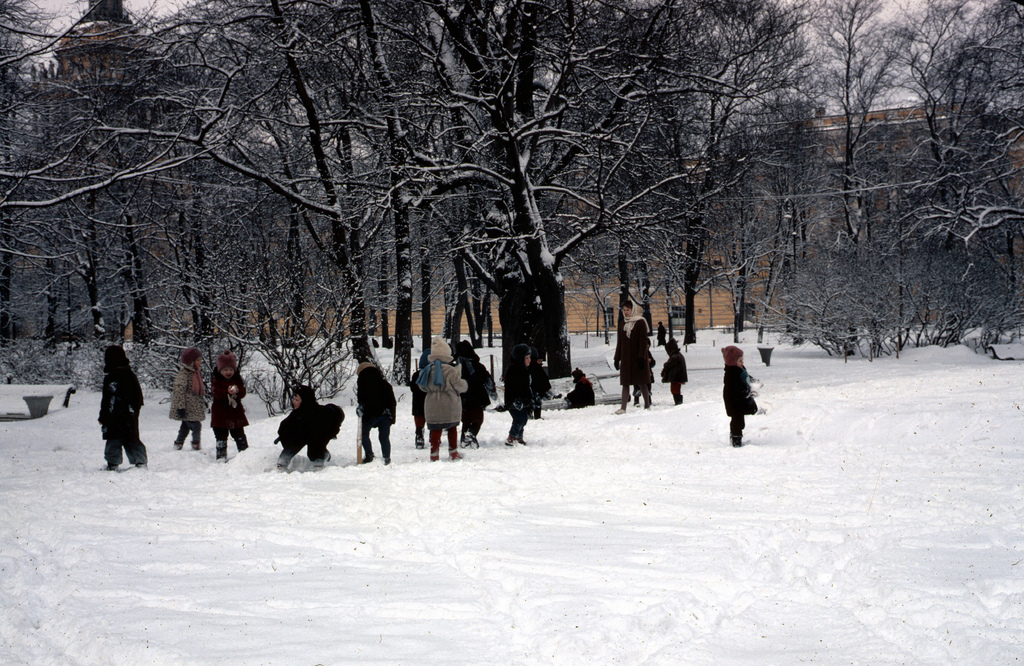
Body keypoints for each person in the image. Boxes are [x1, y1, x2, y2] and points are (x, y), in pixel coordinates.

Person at [418, 337, 468, 461]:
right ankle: (453, 452)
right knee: (452, 428)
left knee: (436, 429)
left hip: (432, 405)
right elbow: (460, 386)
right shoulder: (451, 370)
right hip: (449, 404)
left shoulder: (427, 370)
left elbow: (422, 387)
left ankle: (434, 454)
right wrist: (464, 383)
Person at [99, 345, 147, 470]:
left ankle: (113, 463)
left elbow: (107, 400)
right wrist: (134, 411)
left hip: (114, 416)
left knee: (114, 439)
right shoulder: (129, 374)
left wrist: (103, 416)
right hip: (128, 415)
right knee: (131, 438)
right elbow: (138, 398)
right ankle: (140, 461)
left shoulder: (112, 377)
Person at [276, 385, 344, 470]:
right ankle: (282, 461)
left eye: (297, 400)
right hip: (305, 434)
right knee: (294, 441)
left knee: (314, 448)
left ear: (305, 401)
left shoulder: (317, 414)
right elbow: (284, 427)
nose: (294, 402)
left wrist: (320, 451)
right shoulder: (296, 413)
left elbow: (327, 429)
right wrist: (284, 437)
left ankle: (320, 460)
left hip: (318, 436)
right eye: (294, 399)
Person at [612, 298, 652, 413]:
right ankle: (623, 407)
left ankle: (647, 405)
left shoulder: (640, 322)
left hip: (637, 358)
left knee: (642, 381)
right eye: (624, 310)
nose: (626, 312)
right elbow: (620, 342)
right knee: (625, 383)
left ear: (633, 310)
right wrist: (617, 358)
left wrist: (641, 357)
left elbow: (643, 341)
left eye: (628, 310)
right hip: (626, 359)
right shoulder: (622, 324)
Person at [455, 340, 496, 449]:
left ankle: (464, 439)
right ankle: (471, 433)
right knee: (477, 418)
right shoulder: (477, 365)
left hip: (462, 397)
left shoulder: (456, 367)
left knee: (466, 419)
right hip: (477, 397)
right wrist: (492, 390)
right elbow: (487, 379)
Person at [210, 350, 249, 461]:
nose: (228, 372)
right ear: (220, 370)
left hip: (235, 414)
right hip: (220, 415)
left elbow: (243, 392)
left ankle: (245, 455)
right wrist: (226, 392)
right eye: (225, 370)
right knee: (221, 436)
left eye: (231, 369)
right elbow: (215, 393)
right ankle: (221, 457)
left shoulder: (237, 379)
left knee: (239, 435)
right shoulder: (216, 380)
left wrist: (238, 391)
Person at [356, 361, 397, 465]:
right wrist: (391, 417)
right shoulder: (385, 384)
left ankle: (369, 455)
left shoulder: (363, 382)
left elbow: (362, 400)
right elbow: (392, 402)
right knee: (384, 437)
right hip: (385, 415)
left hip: (370, 415)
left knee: (363, 433)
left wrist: (361, 409)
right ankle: (386, 458)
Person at [170, 347, 206, 450]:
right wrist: (181, 407)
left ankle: (178, 444)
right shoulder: (183, 375)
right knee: (196, 426)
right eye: (198, 360)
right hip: (186, 408)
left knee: (185, 426)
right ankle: (196, 446)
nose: (200, 362)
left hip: (192, 407)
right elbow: (179, 393)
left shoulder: (195, 374)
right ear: (190, 362)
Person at [722, 345, 756, 448]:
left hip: (739, 399)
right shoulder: (732, 373)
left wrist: (754, 383)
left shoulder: (740, 370)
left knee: (739, 420)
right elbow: (736, 388)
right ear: (732, 362)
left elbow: (747, 377)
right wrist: (746, 391)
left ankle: (736, 437)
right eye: (740, 361)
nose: (742, 363)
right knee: (737, 420)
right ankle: (736, 439)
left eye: (742, 360)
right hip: (734, 400)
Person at [502, 343, 533, 445]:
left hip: (523, 400)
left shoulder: (525, 370)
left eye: (529, 357)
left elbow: (526, 387)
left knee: (524, 418)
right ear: (520, 358)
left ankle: (519, 436)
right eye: (527, 358)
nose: (529, 360)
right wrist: (515, 399)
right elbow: (512, 387)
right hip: (514, 401)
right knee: (518, 419)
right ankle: (512, 437)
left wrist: (530, 397)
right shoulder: (514, 370)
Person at [409, 349, 430, 449]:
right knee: (432, 419)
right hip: (430, 402)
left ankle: (419, 435)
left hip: (418, 403)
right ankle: (433, 436)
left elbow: (412, 388)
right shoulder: (434, 373)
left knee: (419, 420)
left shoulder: (416, 375)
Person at [660, 338, 689, 406]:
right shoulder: (678, 355)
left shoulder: (675, 356)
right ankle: (678, 400)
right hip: (679, 377)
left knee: (674, 389)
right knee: (677, 389)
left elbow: (668, 364)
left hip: (676, 377)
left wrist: (665, 366)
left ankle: (678, 401)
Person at [528, 347, 552, 420]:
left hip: (534, 388)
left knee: (533, 402)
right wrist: (547, 387)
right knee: (536, 403)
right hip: (536, 389)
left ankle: (531, 415)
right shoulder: (535, 367)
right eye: (540, 360)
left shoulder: (530, 367)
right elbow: (543, 379)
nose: (541, 362)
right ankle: (536, 416)